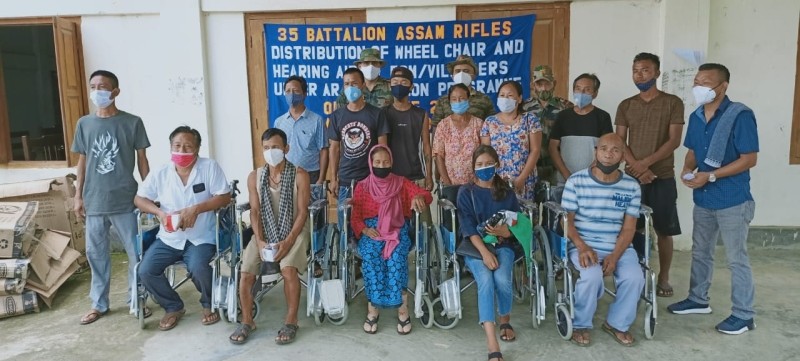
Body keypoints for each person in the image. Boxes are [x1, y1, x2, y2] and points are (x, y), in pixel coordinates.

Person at [668, 63, 759, 335]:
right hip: (704, 198)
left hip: (732, 198)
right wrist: (686, 170)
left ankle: (744, 315)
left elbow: (749, 159)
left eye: (706, 82)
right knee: (701, 251)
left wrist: (711, 175)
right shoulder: (696, 116)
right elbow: (694, 151)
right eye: (696, 81)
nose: (699, 87)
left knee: (736, 258)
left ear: (723, 86)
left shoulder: (739, 115)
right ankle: (698, 299)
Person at [72, 70, 151, 325]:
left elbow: (142, 160)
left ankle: (136, 300)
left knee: (135, 254)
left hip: (125, 199)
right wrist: (77, 195)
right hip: (93, 200)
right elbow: (82, 161)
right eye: (93, 86)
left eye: (103, 87)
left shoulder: (132, 122)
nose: (98, 91)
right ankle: (98, 304)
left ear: (115, 92)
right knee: (96, 255)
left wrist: (148, 195)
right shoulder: (84, 124)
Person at [134, 126, 231, 331]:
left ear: (197, 149)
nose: (182, 151)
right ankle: (173, 306)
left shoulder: (209, 167)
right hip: (169, 238)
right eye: (177, 146)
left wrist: (196, 209)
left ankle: (209, 302)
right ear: (170, 148)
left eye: (188, 146)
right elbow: (139, 199)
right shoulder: (161, 172)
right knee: (146, 270)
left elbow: (224, 197)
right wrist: (159, 213)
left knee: (198, 267)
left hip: (201, 236)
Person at [560, 133, 644, 347]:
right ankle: (580, 324)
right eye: (604, 148)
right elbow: (566, 222)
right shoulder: (576, 181)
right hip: (583, 243)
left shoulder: (631, 186)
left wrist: (615, 256)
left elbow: (628, 228)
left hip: (618, 246)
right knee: (591, 276)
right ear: (595, 152)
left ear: (623, 156)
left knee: (635, 277)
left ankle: (617, 323)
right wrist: (581, 246)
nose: (608, 154)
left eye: (615, 150)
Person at [229, 128, 311, 344]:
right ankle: (247, 321)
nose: (271, 151)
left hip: (296, 229)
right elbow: (254, 212)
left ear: (286, 148)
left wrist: (288, 241)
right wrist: (260, 239)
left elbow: (303, 212)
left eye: (275, 147)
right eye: (266, 148)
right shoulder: (255, 177)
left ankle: (291, 321)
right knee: (245, 272)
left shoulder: (300, 175)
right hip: (264, 231)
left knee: (288, 269)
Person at [615, 52, 685, 298]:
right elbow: (619, 141)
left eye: (645, 70)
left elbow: (674, 140)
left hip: (662, 176)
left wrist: (646, 165)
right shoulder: (626, 105)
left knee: (664, 230)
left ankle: (663, 276)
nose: (639, 75)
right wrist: (636, 167)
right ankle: (635, 274)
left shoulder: (672, 103)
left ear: (657, 73)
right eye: (635, 70)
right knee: (631, 229)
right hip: (632, 179)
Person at [350, 145, 431, 335]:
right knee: (370, 255)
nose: (382, 165)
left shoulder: (401, 183)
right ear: (371, 163)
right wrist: (365, 229)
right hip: (372, 230)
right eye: (377, 162)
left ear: (391, 162)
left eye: (385, 162)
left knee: (396, 257)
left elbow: (426, 195)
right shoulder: (363, 186)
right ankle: (373, 311)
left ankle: (403, 310)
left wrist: (418, 197)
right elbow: (355, 217)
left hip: (396, 228)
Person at [457, 145, 520, 361]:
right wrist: (484, 253)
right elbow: (467, 227)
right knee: (485, 279)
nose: (484, 168)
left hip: (503, 244)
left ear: (497, 164)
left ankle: (505, 320)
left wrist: (507, 232)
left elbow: (517, 223)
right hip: (476, 246)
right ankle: (492, 343)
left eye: (488, 164)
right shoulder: (466, 192)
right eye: (479, 165)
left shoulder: (507, 192)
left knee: (502, 278)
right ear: (473, 167)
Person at [327, 67, 390, 226]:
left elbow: (383, 149)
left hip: (370, 180)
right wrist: (333, 179)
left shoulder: (377, 114)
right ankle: (346, 251)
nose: (350, 87)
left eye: (354, 83)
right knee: (345, 227)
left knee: (371, 225)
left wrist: (381, 177)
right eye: (346, 84)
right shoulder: (337, 116)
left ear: (363, 85)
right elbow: (334, 149)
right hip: (346, 180)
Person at [385, 66, 433, 224]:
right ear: (389, 85)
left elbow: (426, 146)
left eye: (404, 82)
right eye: (395, 82)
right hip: (391, 179)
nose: (399, 86)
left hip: (416, 177)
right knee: (394, 226)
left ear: (411, 86)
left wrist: (429, 176)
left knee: (424, 226)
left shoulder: (420, 114)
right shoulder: (383, 113)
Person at [480, 80, 542, 200]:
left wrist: (522, 178)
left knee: (522, 217)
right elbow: (485, 154)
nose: (505, 98)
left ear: (519, 99)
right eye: (502, 95)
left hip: (524, 180)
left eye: (510, 95)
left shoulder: (530, 119)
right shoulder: (489, 122)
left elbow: (535, 150)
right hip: (496, 181)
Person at [550, 73, 613, 187]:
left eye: (587, 89)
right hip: (564, 181)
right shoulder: (563, 116)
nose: (581, 93)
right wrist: (567, 176)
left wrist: (587, 175)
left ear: (595, 93)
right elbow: (553, 147)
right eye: (578, 89)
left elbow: (607, 149)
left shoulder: (603, 117)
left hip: (593, 180)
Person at [521, 65, 574, 185]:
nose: (544, 88)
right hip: (531, 166)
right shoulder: (524, 107)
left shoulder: (566, 107)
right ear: (533, 86)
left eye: (547, 84)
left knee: (555, 202)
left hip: (557, 167)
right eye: (539, 84)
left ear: (554, 84)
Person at [274, 75, 328, 185]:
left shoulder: (317, 120)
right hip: (286, 174)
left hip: (311, 175)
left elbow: (324, 150)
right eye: (288, 91)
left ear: (304, 94)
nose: (291, 95)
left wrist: (321, 179)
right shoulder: (279, 122)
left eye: (295, 91)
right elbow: (276, 151)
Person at [433, 84, 484, 187]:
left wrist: (480, 182)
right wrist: (448, 184)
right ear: (450, 101)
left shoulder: (478, 124)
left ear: (468, 100)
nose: (458, 102)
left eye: (462, 99)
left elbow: (485, 155)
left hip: (475, 184)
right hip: (450, 184)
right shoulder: (443, 125)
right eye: (454, 99)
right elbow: (439, 156)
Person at [431, 54, 495, 128]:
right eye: (457, 71)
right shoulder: (443, 100)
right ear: (452, 76)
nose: (461, 74)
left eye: (466, 71)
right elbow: (436, 127)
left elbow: (492, 127)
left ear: (473, 75)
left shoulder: (484, 99)